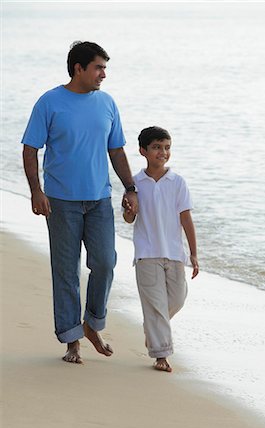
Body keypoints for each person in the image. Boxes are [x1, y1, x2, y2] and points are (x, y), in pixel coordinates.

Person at [22, 41, 138, 364]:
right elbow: (30, 149)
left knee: (104, 262)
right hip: (60, 201)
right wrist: (36, 190)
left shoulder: (107, 103)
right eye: (99, 68)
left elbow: (116, 150)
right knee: (66, 272)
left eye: (105, 68)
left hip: (99, 199)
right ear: (79, 69)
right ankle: (71, 339)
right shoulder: (49, 102)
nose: (103, 74)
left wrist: (131, 188)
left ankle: (92, 323)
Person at [123, 126, 199, 372]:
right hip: (146, 253)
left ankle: (153, 328)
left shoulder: (177, 182)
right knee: (155, 305)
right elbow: (128, 219)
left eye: (166, 147)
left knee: (177, 298)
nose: (162, 152)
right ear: (143, 151)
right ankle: (161, 355)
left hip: (174, 253)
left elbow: (186, 218)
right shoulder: (135, 183)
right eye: (156, 147)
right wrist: (129, 210)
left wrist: (194, 253)